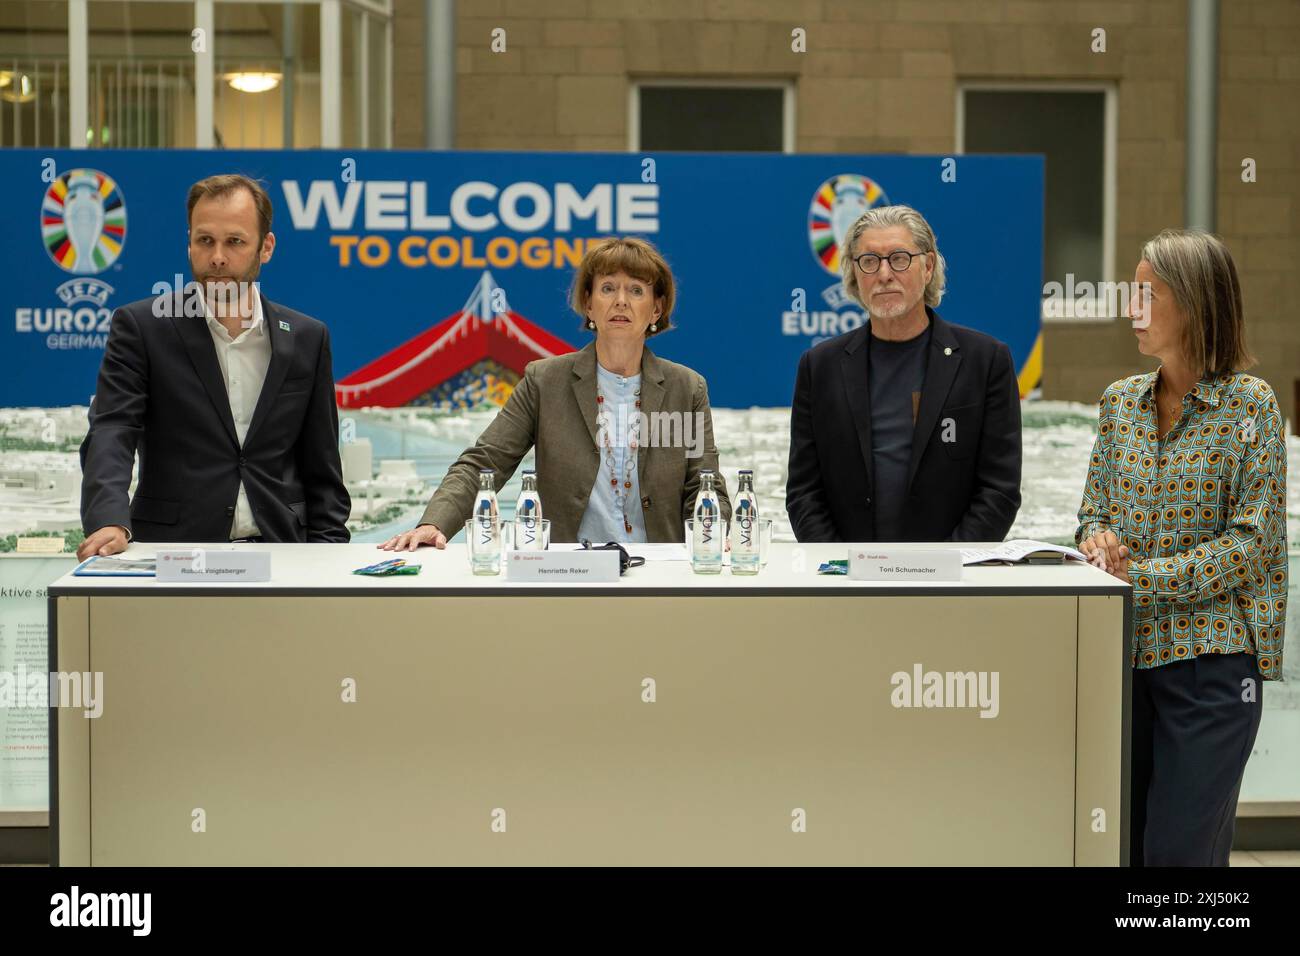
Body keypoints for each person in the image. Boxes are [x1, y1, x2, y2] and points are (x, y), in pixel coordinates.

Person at [1076, 229, 1287, 867]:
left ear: (1194, 304)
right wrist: (1098, 543)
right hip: (1122, 664)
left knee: (1179, 858)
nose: (1131, 309)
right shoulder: (1119, 404)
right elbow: (1090, 514)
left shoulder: (1252, 408)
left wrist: (1140, 575)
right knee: (1126, 853)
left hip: (1212, 669)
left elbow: (1251, 545)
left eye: (1148, 295)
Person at [381, 237, 730, 550]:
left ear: (656, 309)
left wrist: (718, 535)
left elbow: (705, 485)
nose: (621, 301)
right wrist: (434, 523)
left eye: (637, 290)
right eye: (608, 288)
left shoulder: (686, 388)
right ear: (589, 305)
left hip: (659, 572)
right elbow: (484, 463)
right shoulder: (545, 381)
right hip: (567, 569)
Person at [78, 174, 350, 559]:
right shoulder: (143, 327)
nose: (218, 256)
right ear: (189, 244)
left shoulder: (307, 337)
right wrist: (109, 518)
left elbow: (321, 463)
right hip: (174, 556)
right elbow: (113, 429)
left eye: (235, 241)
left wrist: (329, 555)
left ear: (266, 247)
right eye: (205, 240)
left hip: (284, 555)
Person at [785, 204, 1022, 542]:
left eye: (899, 258)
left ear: (927, 267)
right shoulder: (819, 366)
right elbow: (804, 492)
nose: (884, 274)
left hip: (951, 581)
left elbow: (1000, 489)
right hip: (849, 581)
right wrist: (839, 567)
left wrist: (946, 567)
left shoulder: (985, 362)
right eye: (869, 261)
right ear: (854, 274)